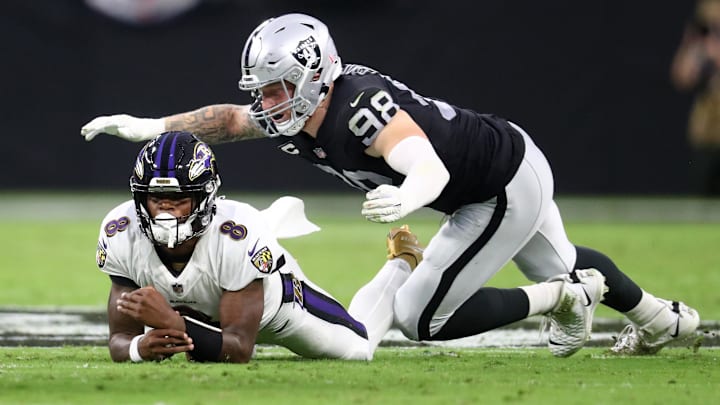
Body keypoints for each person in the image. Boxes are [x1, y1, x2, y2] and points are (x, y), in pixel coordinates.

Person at [83, 13, 700, 356]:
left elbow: (425, 164)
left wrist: (409, 195)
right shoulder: (298, 111)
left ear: (313, 76)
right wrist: (152, 126)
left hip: (496, 183)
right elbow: (231, 120)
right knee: (558, 261)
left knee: (420, 318)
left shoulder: (358, 107)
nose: (266, 103)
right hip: (498, 165)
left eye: (275, 89)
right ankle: (662, 319)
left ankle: (569, 297)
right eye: (262, 90)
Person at [97, 130, 427, 362]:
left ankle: (402, 262)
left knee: (359, 348)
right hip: (207, 311)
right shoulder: (120, 231)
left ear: (204, 198)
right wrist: (140, 348)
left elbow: (239, 348)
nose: (165, 211)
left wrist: (173, 323)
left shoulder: (235, 239)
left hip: (274, 308)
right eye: (156, 199)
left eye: (179, 199)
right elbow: (119, 340)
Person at [671, 0, 720, 195]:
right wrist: (693, 46)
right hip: (706, 133)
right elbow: (681, 77)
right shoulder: (702, 42)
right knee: (702, 206)